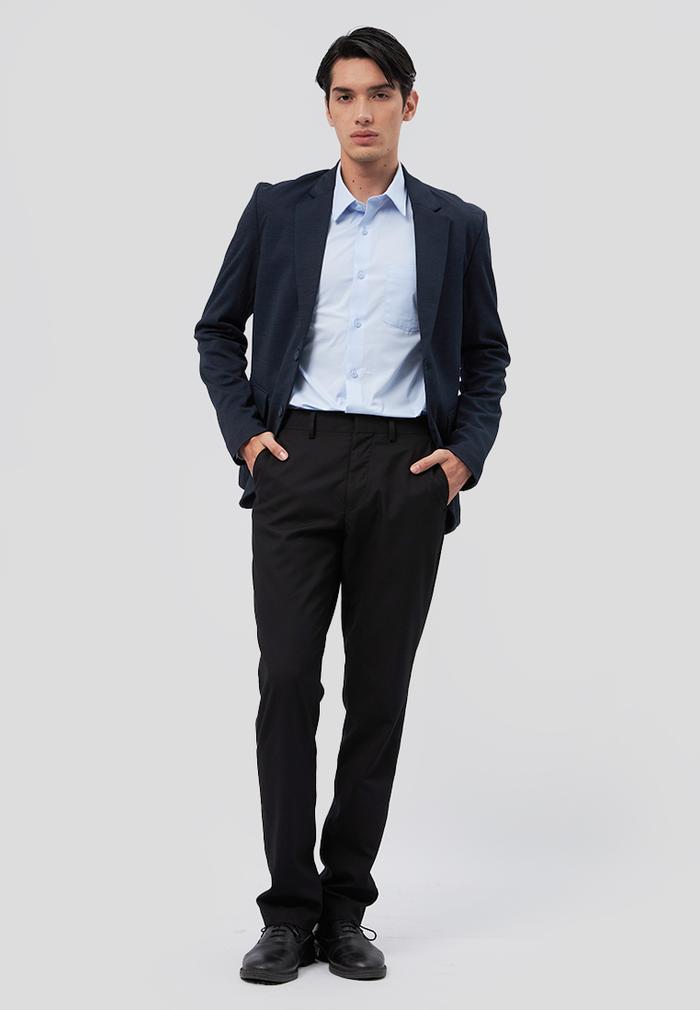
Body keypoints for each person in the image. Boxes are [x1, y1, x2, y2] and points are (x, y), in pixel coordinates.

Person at [193, 26, 510, 985]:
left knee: (378, 694)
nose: (361, 113)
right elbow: (218, 330)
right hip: (297, 460)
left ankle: (345, 909)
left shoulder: (455, 224)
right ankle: (287, 914)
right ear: (327, 107)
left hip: (405, 471)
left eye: (378, 94)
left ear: (409, 103)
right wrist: (249, 438)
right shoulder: (279, 209)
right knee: (288, 681)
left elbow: (487, 355)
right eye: (344, 95)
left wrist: (461, 458)